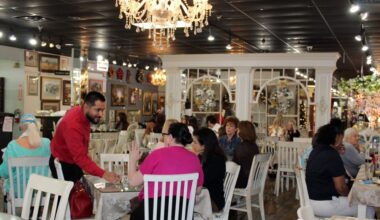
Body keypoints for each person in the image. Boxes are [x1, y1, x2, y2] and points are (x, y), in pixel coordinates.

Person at [128, 123, 204, 219]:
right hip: (181, 214)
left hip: (152, 213)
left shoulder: (156, 155)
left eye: (165, 135)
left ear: (170, 137)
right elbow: (198, 190)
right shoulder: (194, 158)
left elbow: (132, 182)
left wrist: (132, 160)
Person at [49, 91, 120, 183]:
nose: (101, 114)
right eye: (97, 110)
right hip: (63, 163)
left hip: (71, 161)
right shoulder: (73, 125)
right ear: (86, 106)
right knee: (72, 196)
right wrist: (104, 174)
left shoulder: (82, 112)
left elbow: (82, 152)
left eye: (102, 110)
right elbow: (80, 157)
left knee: (84, 188)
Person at [306, 124, 374, 218]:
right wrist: (349, 196)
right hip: (326, 204)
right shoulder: (331, 155)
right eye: (341, 140)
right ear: (337, 138)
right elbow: (341, 187)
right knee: (368, 206)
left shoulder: (315, 151)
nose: (342, 143)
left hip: (311, 201)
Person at [0, 114, 51, 196]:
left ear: (21, 127)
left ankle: (9, 208)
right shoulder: (47, 143)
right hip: (41, 192)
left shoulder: (13, 145)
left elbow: (5, 172)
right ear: (36, 126)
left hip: (18, 192)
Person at [192, 128, 226, 212]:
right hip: (203, 197)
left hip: (212, 202)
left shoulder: (216, 160)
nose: (192, 144)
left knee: (178, 204)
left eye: (195, 142)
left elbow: (202, 181)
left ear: (204, 145)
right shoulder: (201, 156)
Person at [233, 121, 259, 188]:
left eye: (238, 129)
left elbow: (234, 165)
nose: (236, 131)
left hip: (242, 181)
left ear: (242, 131)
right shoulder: (254, 146)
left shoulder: (240, 147)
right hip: (254, 180)